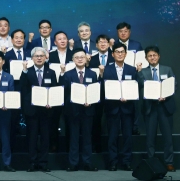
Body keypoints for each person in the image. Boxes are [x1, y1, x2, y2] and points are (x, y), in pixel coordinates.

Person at [137, 46, 176, 172]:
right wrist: (138, 72)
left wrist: (165, 94)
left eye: (154, 55)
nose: (152, 58)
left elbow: (173, 84)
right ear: (146, 58)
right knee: (150, 137)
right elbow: (141, 85)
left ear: (158, 56)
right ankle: (151, 161)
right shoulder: (143, 71)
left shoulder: (167, 69)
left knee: (167, 137)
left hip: (165, 107)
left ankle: (169, 162)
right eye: (149, 56)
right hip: (150, 108)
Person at [99, 42, 137, 171]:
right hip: (112, 107)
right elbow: (103, 88)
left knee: (127, 136)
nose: (120, 54)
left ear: (126, 54)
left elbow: (135, 88)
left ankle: (126, 161)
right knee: (112, 136)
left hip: (127, 108)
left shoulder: (132, 70)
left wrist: (129, 96)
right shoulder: (107, 69)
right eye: (117, 52)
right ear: (113, 54)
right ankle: (113, 162)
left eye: (122, 52)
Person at [19, 47, 57, 172]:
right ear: (32, 58)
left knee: (46, 138)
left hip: (46, 111)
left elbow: (54, 90)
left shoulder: (51, 72)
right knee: (32, 137)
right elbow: (22, 90)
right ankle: (32, 163)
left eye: (41, 56)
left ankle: (43, 162)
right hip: (32, 111)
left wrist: (51, 102)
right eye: (36, 56)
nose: (39, 58)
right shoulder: (26, 72)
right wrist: (23, 71)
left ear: (46, 57)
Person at [62, 48, 99, 172]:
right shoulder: (68, 74)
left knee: (87, 138)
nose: (79, 59)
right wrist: (74, 100)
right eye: (77, 57)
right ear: (73, 60)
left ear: (86, 58)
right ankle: (73, 163)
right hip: (73, 111)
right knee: (74, 138)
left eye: (82, 57)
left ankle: (87, 163)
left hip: (88, 110)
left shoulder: (93, 74)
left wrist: (90, 101)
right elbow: (65, 94)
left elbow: (96, 92)